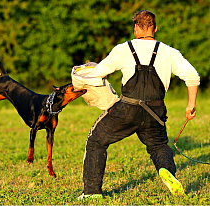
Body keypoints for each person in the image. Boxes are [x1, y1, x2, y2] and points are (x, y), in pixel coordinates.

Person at [78, 10, 200, 199]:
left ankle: (92, 193)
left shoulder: (122, 49)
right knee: (159, 146)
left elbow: (99, 72)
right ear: (155, 29)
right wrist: (190, 105)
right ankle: (166, 170)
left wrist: (81, 74)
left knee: (96, 141)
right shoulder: (169, 51)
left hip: (127, 109)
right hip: (155, 111)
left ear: (135, 28)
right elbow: (193, 77)